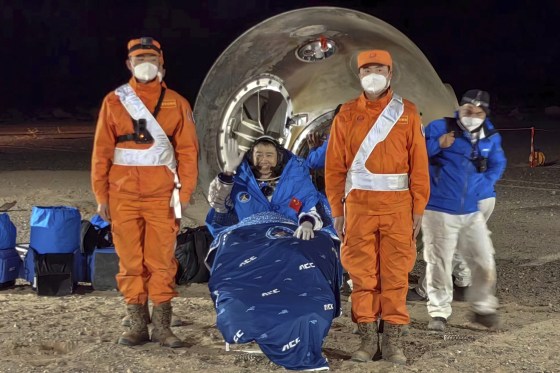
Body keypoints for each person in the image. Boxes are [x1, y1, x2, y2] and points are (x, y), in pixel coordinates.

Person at [91, 37, 199, 347]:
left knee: (162, 260)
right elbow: (101, 152)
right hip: (122, 196)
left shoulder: (177, 102)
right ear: (129, 64)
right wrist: (101, 196)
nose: (145, 63)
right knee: (130, 261)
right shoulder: (113, 101)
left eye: (151, 57)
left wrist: (185, 193)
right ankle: (137, 322)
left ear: (162, 63)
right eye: (139, 58)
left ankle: (162, 326)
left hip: (162, 196)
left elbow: (189, 152)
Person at [325, 49, 430, 364]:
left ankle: (394, 343)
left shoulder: (408, 112)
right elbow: (334, 169)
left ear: (390, 72)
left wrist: (418, 209)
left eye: (379, 68)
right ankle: (368, 342)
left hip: (398, 206)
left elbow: (419, 166)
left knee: (396, 275)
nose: (373, 73)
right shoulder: (344, 114)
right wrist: (337, 212)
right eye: (367, 69)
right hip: (358, 208)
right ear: (359, 75)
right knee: (362, 275)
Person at [421, 89, 506, 332]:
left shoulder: (489, 134)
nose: (472, 115)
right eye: (468, 110)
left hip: (471, 210)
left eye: (478, 112)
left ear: (485, 113)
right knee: (439, 261)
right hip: (439, 208)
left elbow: (498, 162)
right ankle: (438, 312)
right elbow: (416, 154)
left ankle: (482, 307)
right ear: (460, 108)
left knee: (483, 258)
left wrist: (485, 184)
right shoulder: (439, 127)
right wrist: (438, 144)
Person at [207, 134, 323, 237]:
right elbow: (218, 204)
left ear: (279, 157)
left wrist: (307, 223)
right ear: (251, 157)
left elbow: (309, 206)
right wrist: (228, 171)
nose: (264, 160)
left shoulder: (295, 181)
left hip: (288, 241)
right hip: (249, 242)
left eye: (269, 155)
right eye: (259, 155)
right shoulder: (239, 183)